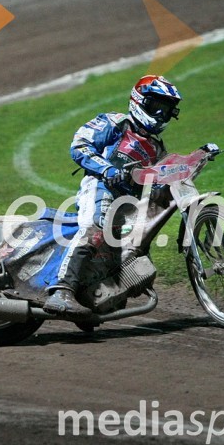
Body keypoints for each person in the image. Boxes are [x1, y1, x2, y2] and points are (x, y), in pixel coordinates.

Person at [44, 75, 185, 320]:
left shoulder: (157, 148)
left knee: (138, 259)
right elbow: (79, 145)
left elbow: (160, 181)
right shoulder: (115, 122)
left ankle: (92, 299)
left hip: (130, 205)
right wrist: (107, 169)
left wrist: (193, 162)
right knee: (95, 228)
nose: (161, 114)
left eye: (167, 110)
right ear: (139, 102)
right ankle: (61, 290)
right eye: (156, 107)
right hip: (100, 187)